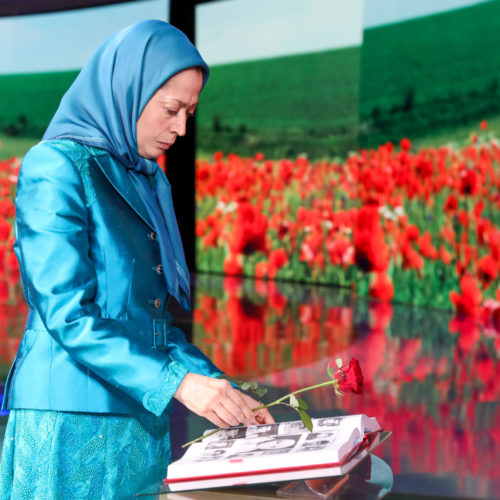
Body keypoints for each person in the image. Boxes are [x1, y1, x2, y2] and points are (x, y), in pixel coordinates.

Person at [0, 20, 273, 498]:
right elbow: (68, 315)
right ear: (128, 90)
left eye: (190, 112)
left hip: (140, 421)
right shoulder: (55, 166)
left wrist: (220, 389)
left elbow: (150, 324)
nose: (182, 128)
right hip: (69, 422)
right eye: (172, 109)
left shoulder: (144, 177)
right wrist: (180, 384)